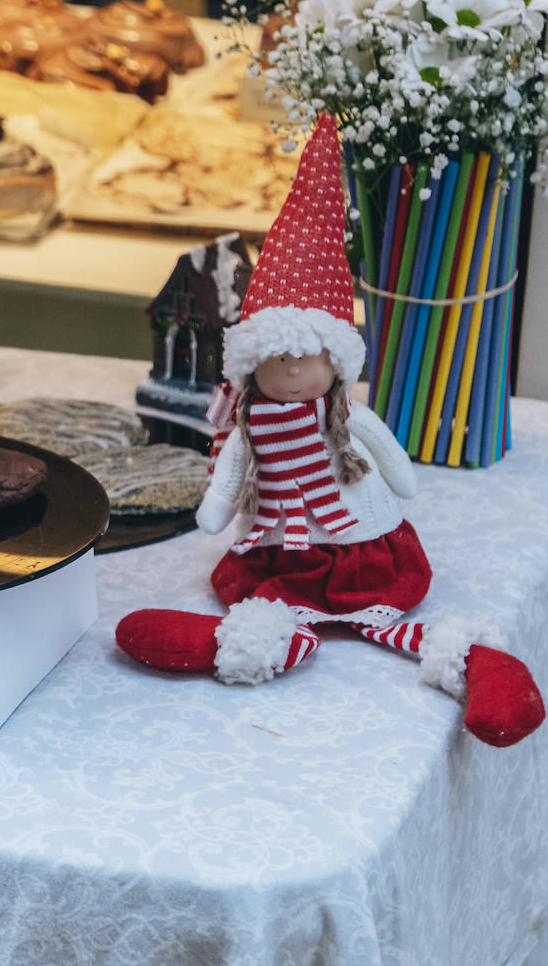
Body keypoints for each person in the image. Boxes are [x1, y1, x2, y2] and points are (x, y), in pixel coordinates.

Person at [114, 114, 545, 748]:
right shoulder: (249, 426)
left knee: (389, 626)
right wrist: (213, 511)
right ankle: (248, 643)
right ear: (250, 365)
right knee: (274, 618)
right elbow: (227, 484)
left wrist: (401, 482)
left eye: (304, 359)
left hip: (363, 554)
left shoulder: (348, 420)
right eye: (275, 362)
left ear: (335, 363)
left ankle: (472, 660)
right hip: (279, 558)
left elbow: (395, 467)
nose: (290, 375)